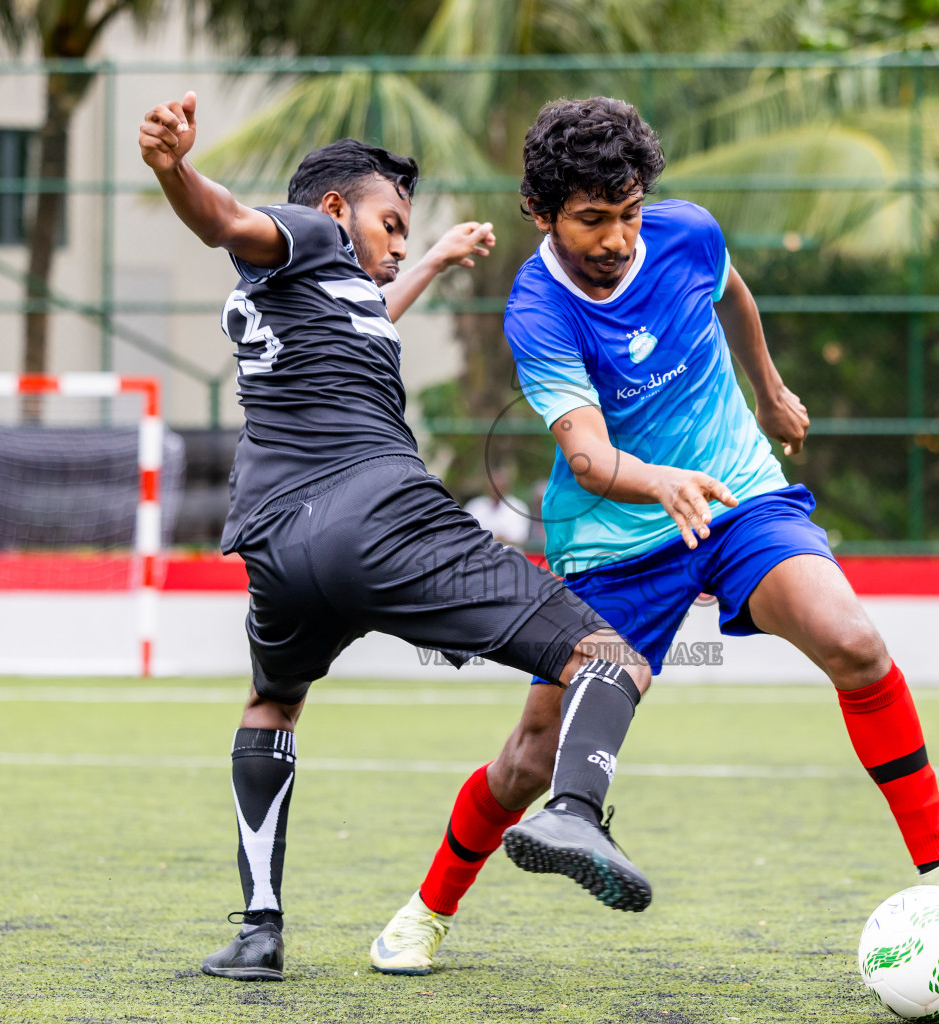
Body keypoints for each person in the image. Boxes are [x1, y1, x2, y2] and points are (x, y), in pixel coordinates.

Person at [371, 96, 939, 974]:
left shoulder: (688, 232)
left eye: (628, 213)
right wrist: (657, 480)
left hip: (738, 499)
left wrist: (768, 389)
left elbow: (730, 286)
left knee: (855, 643)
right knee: (529, 760)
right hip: (614, 536)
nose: (617, 238)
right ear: (541, 213)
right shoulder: (538, 309)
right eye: (591, 220)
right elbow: (585, 457)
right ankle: (431, 908)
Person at [139, 91, 657, 982]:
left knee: (273, 702)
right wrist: (174, 169)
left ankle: (258, 930)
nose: (399, 241)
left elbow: (373, 312)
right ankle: (573, 808)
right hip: (380, 515)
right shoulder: (308, 232)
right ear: (335, 209)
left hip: (275, 539)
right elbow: (225, 218)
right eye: (392, 222)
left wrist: (439, 261)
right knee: (610, 661)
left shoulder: (318, 296)